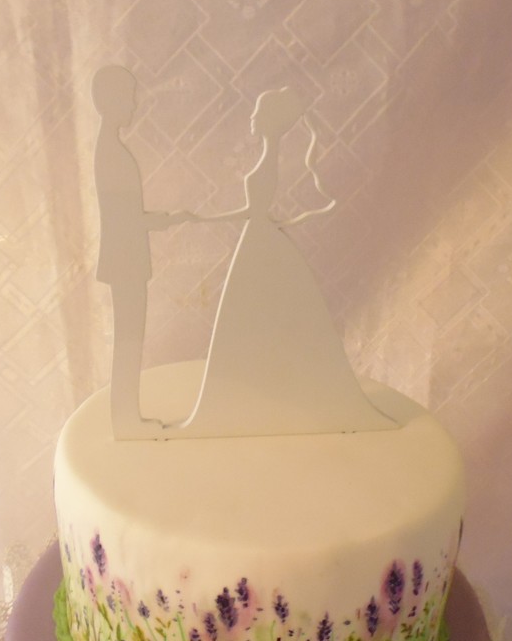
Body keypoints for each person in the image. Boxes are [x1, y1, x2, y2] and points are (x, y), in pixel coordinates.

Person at [161, 87, 395, 438]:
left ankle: (273, 392)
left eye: (257, 113)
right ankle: (265, 387)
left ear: (270, 120)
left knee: (254, 315)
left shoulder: (269, 160)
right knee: (259, 317)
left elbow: (252, 211)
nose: (252, 118)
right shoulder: (269, 157)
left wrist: (198, 218)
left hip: (260, 244)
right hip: (261, 241)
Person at [92, 66, 189, 439]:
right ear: (110, 101)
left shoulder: (110, 149)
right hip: (125, 261)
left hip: (125, 260)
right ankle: (126, 419)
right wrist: (167, 220)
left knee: (130, 340)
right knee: (128, 342)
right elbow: (125, 219)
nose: (134, 104)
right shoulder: (112, 153)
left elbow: (126, 215)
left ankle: (127, 415)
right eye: (129, 97)